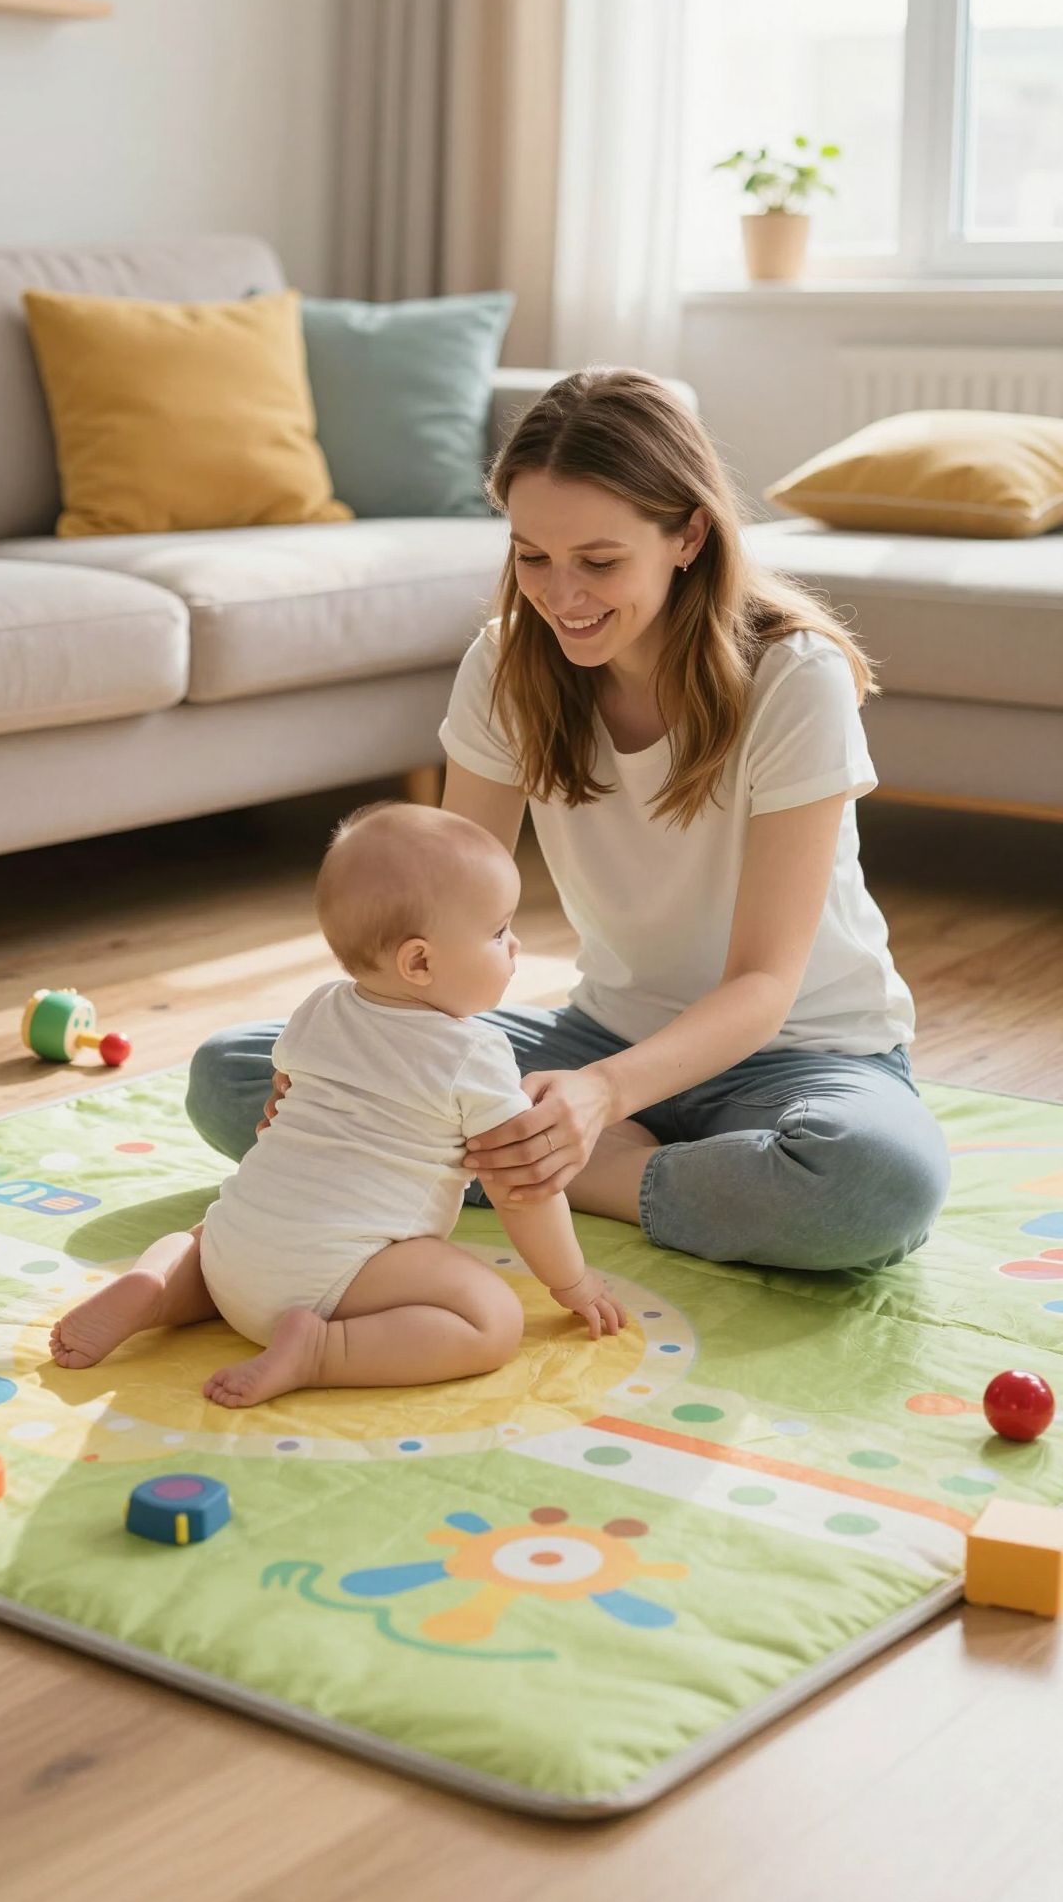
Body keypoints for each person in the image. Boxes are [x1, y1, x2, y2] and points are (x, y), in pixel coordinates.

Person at [187, 368, 950, 1274]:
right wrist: (357, 1058)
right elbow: (435, 911)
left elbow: (763, 985)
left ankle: (589, 1174)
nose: (561, 595)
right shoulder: (510, 663)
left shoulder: (794, 677)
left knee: (871, 1185)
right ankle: (608, 1168)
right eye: (532, 556)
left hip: (798, 1055)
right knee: (237, 1076)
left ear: (688, 534)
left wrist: (597, 1104)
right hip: (598, 1033)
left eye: (599, 561)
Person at [49, 803, 625, 1407]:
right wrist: (571, 1280)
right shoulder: (473, 1054)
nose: (516, 944)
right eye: (498, 931)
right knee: (491, 1319)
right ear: (420, 961)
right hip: (331, 1277)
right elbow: (521, 1188)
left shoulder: (321, 1006)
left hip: (232, 1250)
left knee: (209, 1235)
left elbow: (284, 1090)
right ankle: (321, 1350)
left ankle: (158, 1283)